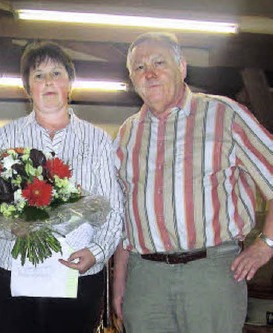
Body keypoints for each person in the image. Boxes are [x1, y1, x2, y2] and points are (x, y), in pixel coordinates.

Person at [112, 32, 273, 333]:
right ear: (132, 79)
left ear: (182, 67)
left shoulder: (224, 114)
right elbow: (125, 216)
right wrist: (120, 279)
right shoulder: (126, 134)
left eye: (159, 62)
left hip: (211, 272)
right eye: (139, 67)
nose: (150, 73)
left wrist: (266, 245)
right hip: (145, 277)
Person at [0, 40, 124, 333]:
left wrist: (96, 251)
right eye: (38, 75)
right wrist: (16, 228)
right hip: (11, 273)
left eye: (56, 73)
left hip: (78, 273)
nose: (48, 81)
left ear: (70, 83)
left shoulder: (97, 141)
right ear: (27, 88)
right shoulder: (5, 136)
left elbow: (114, 208)